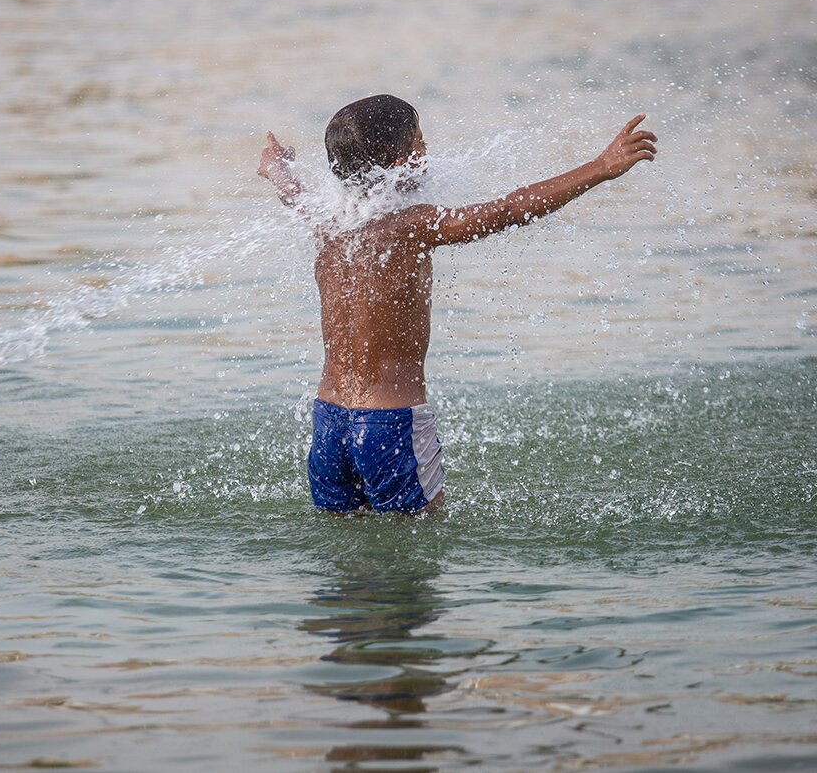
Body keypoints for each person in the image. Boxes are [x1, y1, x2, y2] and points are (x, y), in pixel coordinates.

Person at [257, 94, 657, 515]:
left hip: (328, 424)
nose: (426, 153)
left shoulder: (325, 220)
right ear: (399, 166)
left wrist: (275, 165)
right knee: (413, 556)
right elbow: (507, 209)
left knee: (343, 556)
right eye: (419, 144)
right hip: (388, 426)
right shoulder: (412, 225)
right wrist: (599, 168)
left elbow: (290, 190)